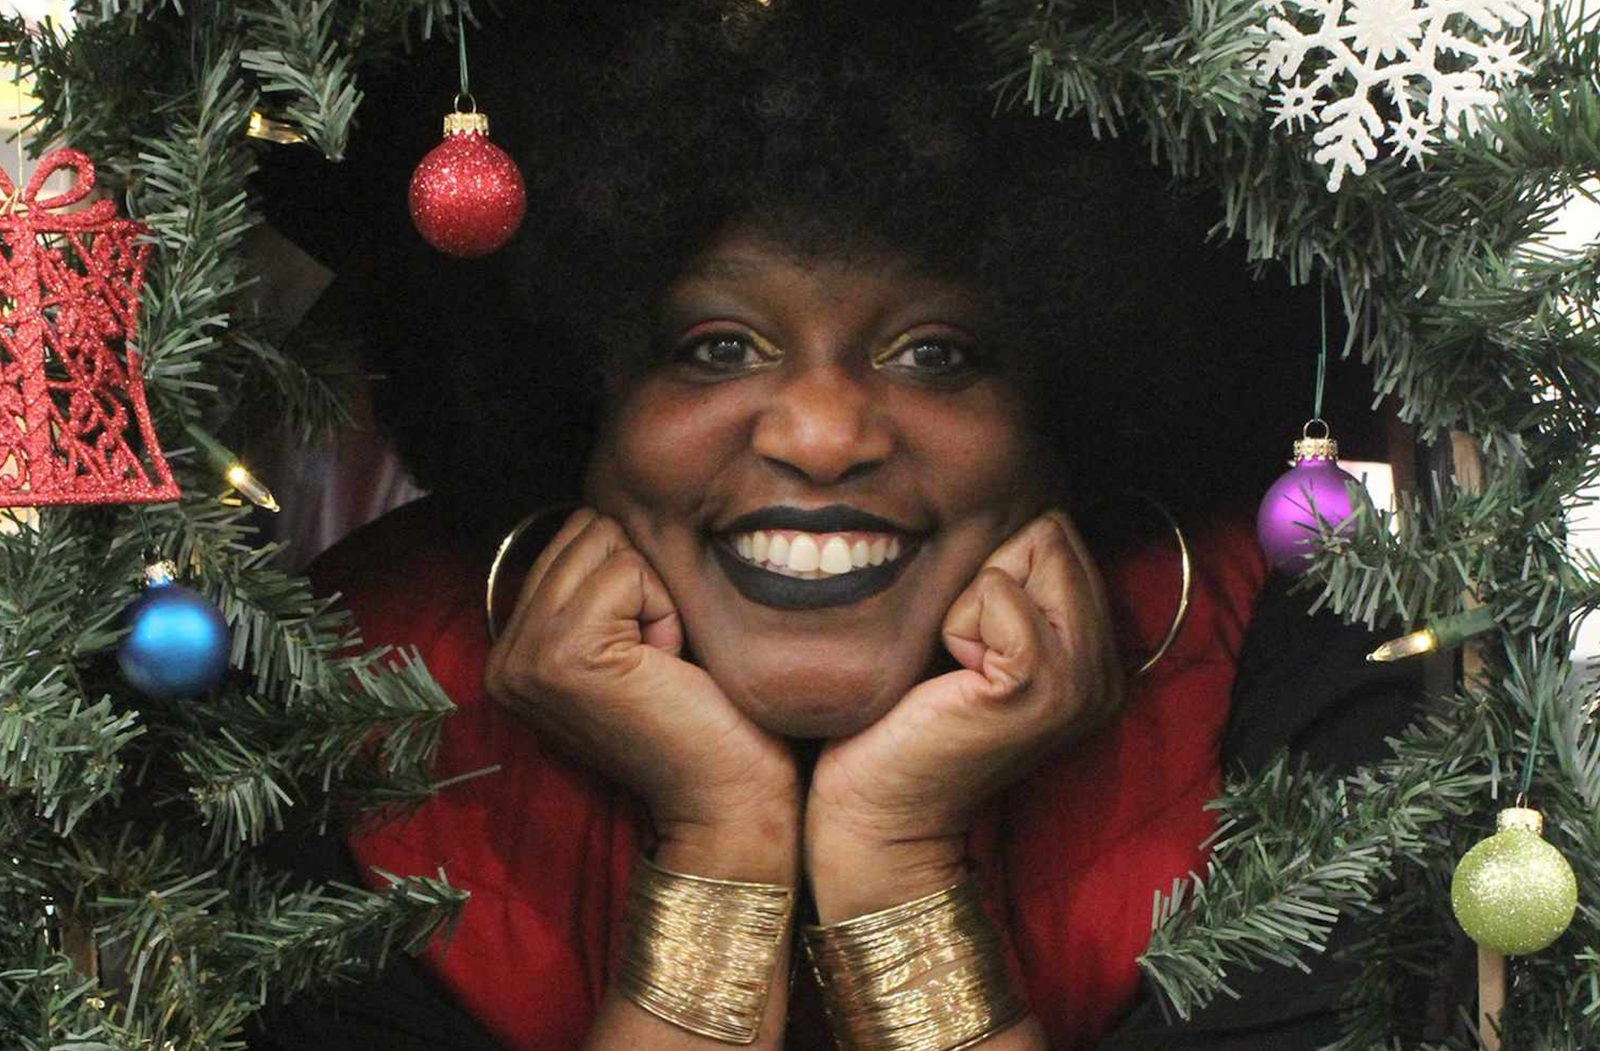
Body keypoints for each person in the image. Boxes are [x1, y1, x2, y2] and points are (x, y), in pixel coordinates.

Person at [247, 1, 1422, 1048]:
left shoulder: (1284, 664)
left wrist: (894, 862)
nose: (820, 435)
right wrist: (718, 840)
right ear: (571, 399)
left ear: (1068, 411)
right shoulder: (348, 686)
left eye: (935, 353)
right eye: (715, 347)